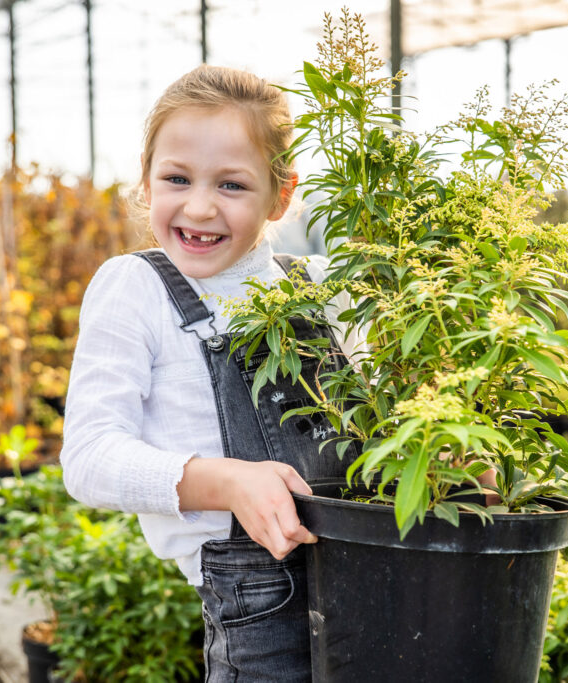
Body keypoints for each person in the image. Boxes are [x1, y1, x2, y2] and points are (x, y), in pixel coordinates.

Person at [60, 65, 361, 682]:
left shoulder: (325, 289)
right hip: (260, 616)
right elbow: (88, 457)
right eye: (176, 178)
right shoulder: (136, 288)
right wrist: (227, 482)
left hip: (375, 585)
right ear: (146, 182)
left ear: (281, 195)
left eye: (231, 184)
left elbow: (396, 413)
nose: (199, 206)